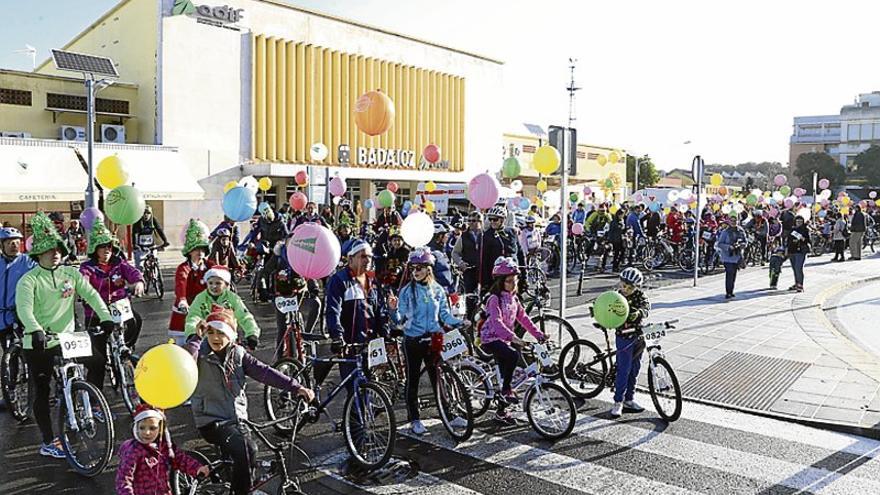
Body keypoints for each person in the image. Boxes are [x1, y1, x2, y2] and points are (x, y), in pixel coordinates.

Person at [15, 212, 114, 458]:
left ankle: (88, 400)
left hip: (67, 338)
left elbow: (91, 294)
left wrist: (106, 317)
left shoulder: (70, 274)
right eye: (49, 250)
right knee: (41, 389)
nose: (56, 252)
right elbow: (25, 309)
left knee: (99, 361)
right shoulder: (29, 280)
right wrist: (35, 329)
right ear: (38, 254)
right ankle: (49, 441)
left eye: (58, 248)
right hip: (38, 341)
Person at [185, 306, 313, 495]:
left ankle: (237, 481)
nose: (215, 338)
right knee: (249, 449)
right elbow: (185, 360)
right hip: (211, 419)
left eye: (221, 333)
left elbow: (265, 372)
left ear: (231, 335)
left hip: (237, 419)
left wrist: (297, 387)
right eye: (211, 332)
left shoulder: (238, 354)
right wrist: (196, 337)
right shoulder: (200, 354)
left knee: (243, 454)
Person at [388, 248, 466, 435]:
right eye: (413, 268)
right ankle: (414, 418)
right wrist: (393, 309)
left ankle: (448, 413)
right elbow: (399, 321)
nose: (415, 271)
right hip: (413, 341)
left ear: (429, 269)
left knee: (438, 378)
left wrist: (460, 322)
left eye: (420, 268)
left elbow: (445, 315)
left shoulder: (438, 290)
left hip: (433, 340)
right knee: (413, 380)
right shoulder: (407, 291)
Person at [79, 222, 145, 392]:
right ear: (95, 249)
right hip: (96, 313)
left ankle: (126, 347)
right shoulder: (87, 267)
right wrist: (83, 291)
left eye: (109, 246)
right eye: (102, 247)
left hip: (119, 308)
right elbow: (83, 281)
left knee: (136, 319)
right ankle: (95, 400)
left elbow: (133, 272)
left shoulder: (119, 263)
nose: (106, 250)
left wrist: (138, 282)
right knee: (97, 359)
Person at [479, 257, 545, 424]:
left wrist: (538, 334)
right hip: (490, 338)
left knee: (507, 371)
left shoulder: (514, 298)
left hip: (504, 339)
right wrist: (514, 338)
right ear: (500, 282)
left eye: (515, 281)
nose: (513, 284)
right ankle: (506, 390)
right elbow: (497, 323)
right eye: (509, 281)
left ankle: (501, 411)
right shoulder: (494, 299)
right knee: (513, 355)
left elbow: (524, 318)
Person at [321, 239, 388, 388]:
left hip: (370, 345)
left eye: (370, 257)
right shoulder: (339, 280)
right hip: (350, 346)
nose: (368, 260)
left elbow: (379, 310)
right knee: (355, 390)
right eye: (363, 256)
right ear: (350, 258)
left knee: (372, 389)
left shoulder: (372, 280)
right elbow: (333, 311)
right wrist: (337, 336)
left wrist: (385, 333)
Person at [115, 404, 209, 495]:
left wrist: (197, 468)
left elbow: (179, 459)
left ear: (160, 429)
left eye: (152, 428)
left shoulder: (162, 446)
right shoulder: (133, 451)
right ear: (135, 428)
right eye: (142, 428)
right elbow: (124, 479)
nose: (147, 432)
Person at [609, 267, 651, 418]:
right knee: (623, 370)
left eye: (629, 287)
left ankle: (629, 399)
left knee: (634, 369)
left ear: (637, 287)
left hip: (638, 336)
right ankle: (618, 401)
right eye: (623, 285)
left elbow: (646, 307)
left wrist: (638, 313)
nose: (625, 289)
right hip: (623, 337)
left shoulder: (640, 295)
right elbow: (606, 306)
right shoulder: (616, 296)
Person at [184, 266, 260, 349]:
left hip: (228, 338)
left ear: (226, 285)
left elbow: (244, 316)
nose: (214, 286)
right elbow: (193, 316)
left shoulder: (233, 298)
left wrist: (252, 334)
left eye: (218, 283)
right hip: (208, 339)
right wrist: (192, 333)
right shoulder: (201, 298)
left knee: (238, 358)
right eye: (210, 283)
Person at [168, 220, 215, 345]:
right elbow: (181, 283)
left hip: (206, 309)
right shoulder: (184, 268)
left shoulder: (210, 266)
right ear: (190, 251)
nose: (200, 253)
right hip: (186, 311)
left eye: (202, 250)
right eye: (196, 249)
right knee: (184, 346)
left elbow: (219, 277)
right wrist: (182, 300)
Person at [0, 227, 35, 353]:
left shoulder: (28, 261)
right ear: (2, 245)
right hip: (2, 317)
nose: (14, 245)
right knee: (8, 354)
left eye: (16, 242)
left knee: (27, 352)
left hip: (20, 315)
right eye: (9, 242)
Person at [480, 206, 519, 291]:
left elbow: (519, 253)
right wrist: (485, 283)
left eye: (495, 219)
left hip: (512, 274)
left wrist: (524, 277)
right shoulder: (487, 236)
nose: (492, 222)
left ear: (503, 220)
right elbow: (484, 261)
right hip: (497, 278)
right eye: (490, 219)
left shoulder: (511, 232)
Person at [716, 216, 746, 299]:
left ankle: (731, 291)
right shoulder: (725, 232)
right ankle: (728, 292)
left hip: (737, 256)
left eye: (735, 220)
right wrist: (729, 247)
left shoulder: (740, 231)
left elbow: (745, 242)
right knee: (729, 273)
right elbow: (720, 244)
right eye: (732, 221)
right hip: (727, 257)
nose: (733, 222)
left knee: (734, 274)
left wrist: (741, 245)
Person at [132, 206, 169, 270]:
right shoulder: (138, 221)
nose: (146, 215)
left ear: (151, 213)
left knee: (155, 261)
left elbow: (159, 230)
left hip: (151, 246)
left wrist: (165, 241)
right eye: (144, 213)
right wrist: (135, 244)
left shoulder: (153, 219)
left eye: (148, 213)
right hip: (141, 247)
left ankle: (156, 275)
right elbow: (134, 233)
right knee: (139, 267)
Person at [428, 223, 455, 293]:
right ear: (440, 236)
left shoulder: (441, 250)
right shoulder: (434, 253)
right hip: (439, 292)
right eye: (446, 235)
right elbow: (443, 276)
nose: (447, 237)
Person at [786, 215, 811, 292]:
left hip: (801, 251)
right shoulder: (792, 229)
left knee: (798, 268)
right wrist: (787, 249)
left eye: (800, 222)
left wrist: (802, 238)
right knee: (794, 268)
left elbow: (808, 240)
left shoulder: (805, 230)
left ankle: (800, 285)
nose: (799, 223)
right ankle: (796, 283)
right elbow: (788, 240)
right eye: (797, 221)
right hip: (792, 250)